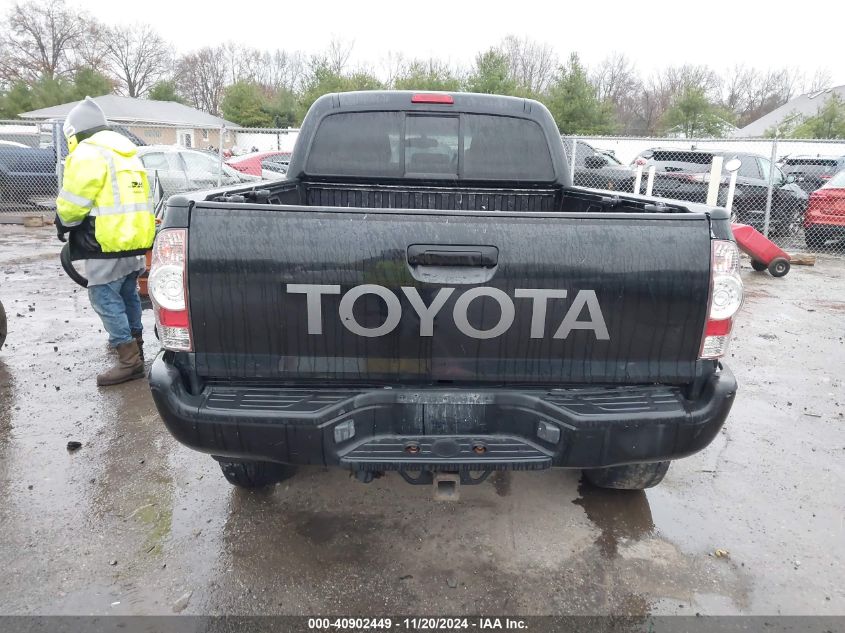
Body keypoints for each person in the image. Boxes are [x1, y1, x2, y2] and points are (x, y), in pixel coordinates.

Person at [55, 97, 156, 386]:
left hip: (105, 242)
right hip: (133, 241)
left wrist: (63, 221)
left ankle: (128, 360)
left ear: (74, 133)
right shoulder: (126, 152)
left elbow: (74, 202)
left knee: (102, 295)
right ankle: (137, 347)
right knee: (127, 294)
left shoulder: (88, 154)